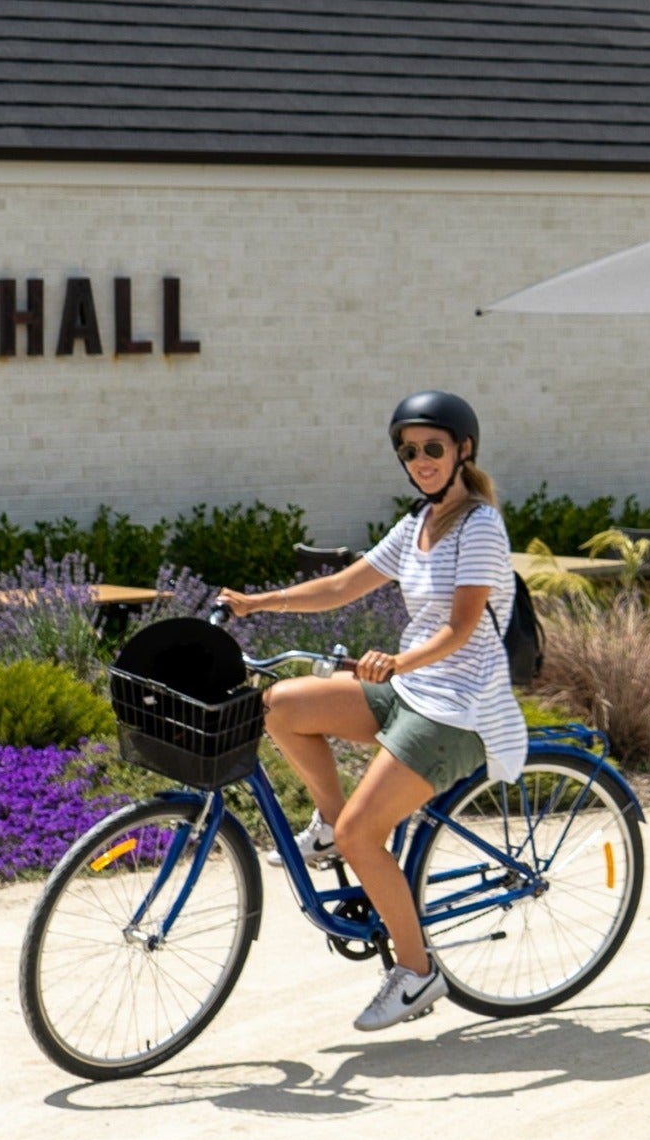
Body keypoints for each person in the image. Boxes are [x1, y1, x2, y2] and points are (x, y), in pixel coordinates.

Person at [217, 391, 528, 1033]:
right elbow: (341, 586)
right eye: (409, 451)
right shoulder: (417, 523)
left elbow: (464, 628)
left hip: (457, 709)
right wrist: (257, 603)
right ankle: (330, 826)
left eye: (432, 449)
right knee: (279, 705)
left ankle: (418, 973)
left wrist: (400, 663)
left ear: (463, 450)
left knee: (368, 835)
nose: (420, 461)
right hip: (410, 687)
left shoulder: (480, 527)